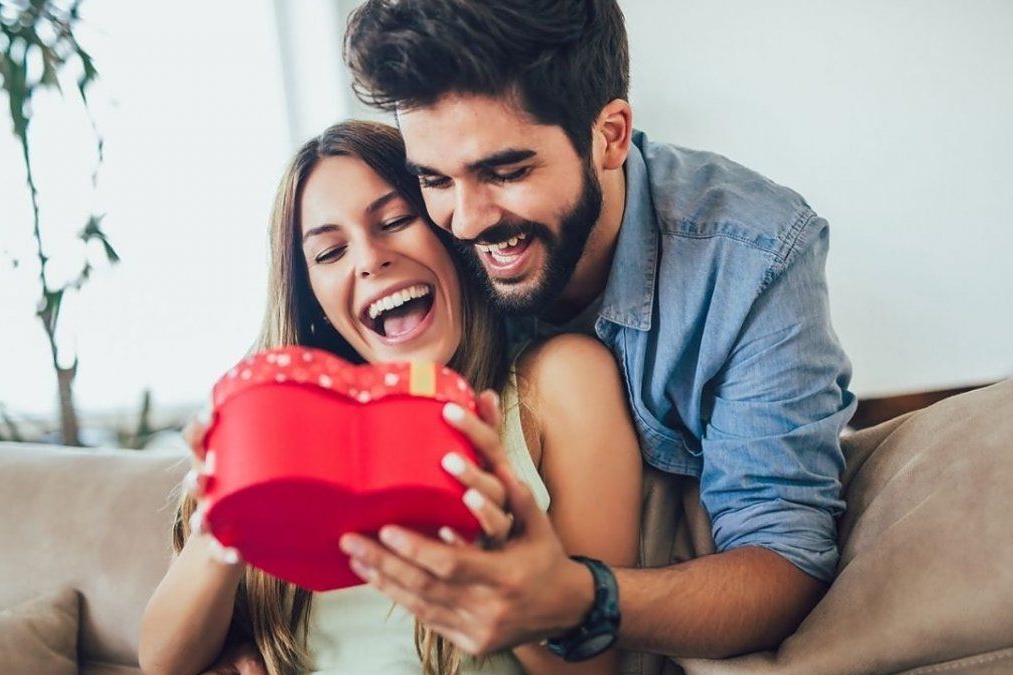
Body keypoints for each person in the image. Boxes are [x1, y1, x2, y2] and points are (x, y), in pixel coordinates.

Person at [337, 0, 857, 663]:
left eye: (506, 172)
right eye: (435, 179)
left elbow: (784, 561)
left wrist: (577, 598)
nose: (465, 220)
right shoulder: (418, 240)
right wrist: (247, 627)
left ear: (610, 135)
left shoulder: (754, 254)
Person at [138, 120, 642, 675]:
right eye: (330, 252)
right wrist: (224, 523)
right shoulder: (290, 435)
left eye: (397, 221)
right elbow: (163, 663)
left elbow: (595, 670)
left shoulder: (560, 382)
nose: (369, 259)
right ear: (314, 300)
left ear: (452, 233)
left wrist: (486, 558)